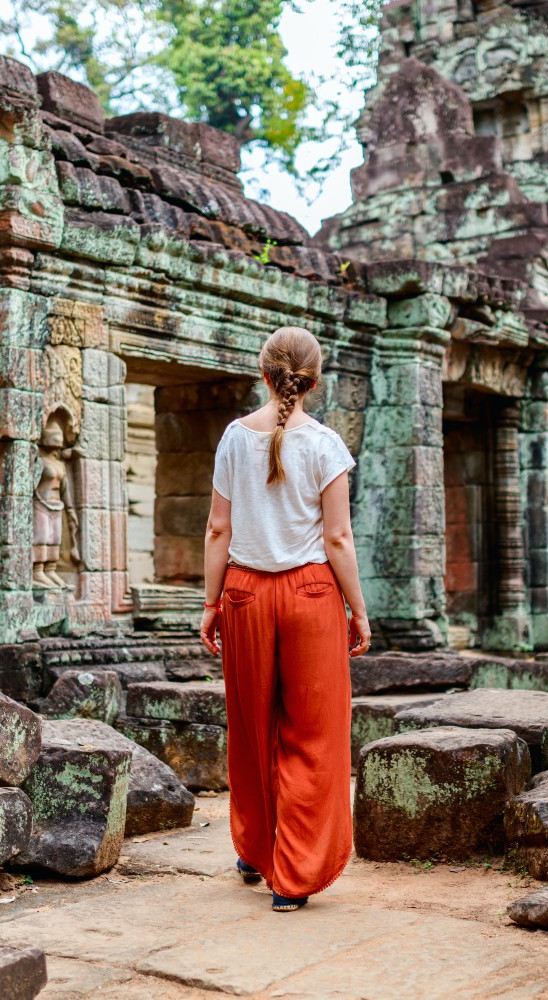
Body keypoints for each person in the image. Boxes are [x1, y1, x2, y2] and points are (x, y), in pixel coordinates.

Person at [199, 326, 371, 912]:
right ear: (313, 380)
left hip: (244, 594)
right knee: (313, 734)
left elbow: (218, 528)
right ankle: (291, 877)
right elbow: (338, 537)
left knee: (252, 726)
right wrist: (358, 609)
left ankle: (254, 848)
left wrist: (210, 601)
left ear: (263, 373)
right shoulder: (324, 444)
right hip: (311, 596)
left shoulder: (232, 438)